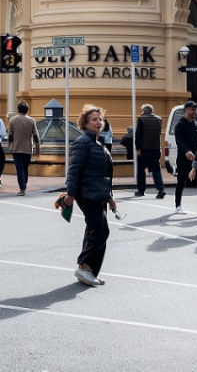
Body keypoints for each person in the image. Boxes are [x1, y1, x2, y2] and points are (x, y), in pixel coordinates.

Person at [59, 104, 117, 287]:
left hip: (99, 194)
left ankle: (89, 270)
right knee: (99, 230)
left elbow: (104, 174)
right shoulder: (82, 143)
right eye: (94, 119)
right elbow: (74, 170)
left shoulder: (99, 143)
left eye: (100, 119)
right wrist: (70, 193)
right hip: (87, 194)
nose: (99, 122)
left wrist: (110, 196)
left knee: (95, 230)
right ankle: (84, 267)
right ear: (85, 123)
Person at [173, 101, 197, 215]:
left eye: (196, 109)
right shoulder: (180, 125)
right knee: (181, 182)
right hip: (183, 158)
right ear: (186, 110)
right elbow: (179, 141)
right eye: (192, 109)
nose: (195, 111)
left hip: (196, 159)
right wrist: (186, 151)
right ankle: (178, 206)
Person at [7, 102, 39, 196]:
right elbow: (36, 136)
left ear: (18, 109)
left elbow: (10, 135)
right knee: (25, 169)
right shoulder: (31, 120)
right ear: (27, 110)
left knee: (19, 169)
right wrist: (38, 149)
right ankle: (24, 185)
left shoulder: (12, 120)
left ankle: (22, 188)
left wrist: (9, 147)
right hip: (27, 149)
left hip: (16, 149)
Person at [134, 104, 166, 198]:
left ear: (144, 111)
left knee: (141, 171)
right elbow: (158, 134)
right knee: (156, 170)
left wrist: (138, 149)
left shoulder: (141, 119)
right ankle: (161, 189)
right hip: (155, 149)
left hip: (144, 149)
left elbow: (138, 135)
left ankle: (141, 190)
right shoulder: (159, 119)